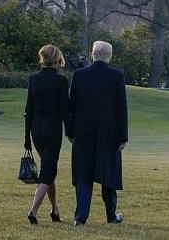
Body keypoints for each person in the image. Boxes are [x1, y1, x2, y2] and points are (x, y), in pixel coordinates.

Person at [68, 40, 128, 227]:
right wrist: (123, 136)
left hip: (83, 133)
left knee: (83, 175)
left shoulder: (79, 75)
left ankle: (80, 217)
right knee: (108, 174)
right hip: (109, 134)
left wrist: (70, 132)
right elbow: (121, 108)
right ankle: (111, 215)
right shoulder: (116, 76)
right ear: (109, 56)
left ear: (92, 54)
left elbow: (72, 106)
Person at [23, 45, 71, 224]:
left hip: (36, 130)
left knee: (48, 169)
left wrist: (27, 137)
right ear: (58, 59)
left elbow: (29, 109)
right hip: (52, 130)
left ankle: (55, 210)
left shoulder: (33, 79)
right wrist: (70, 132)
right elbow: (64, 110)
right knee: (48, 171)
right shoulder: (60, 80)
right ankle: (33, 210)